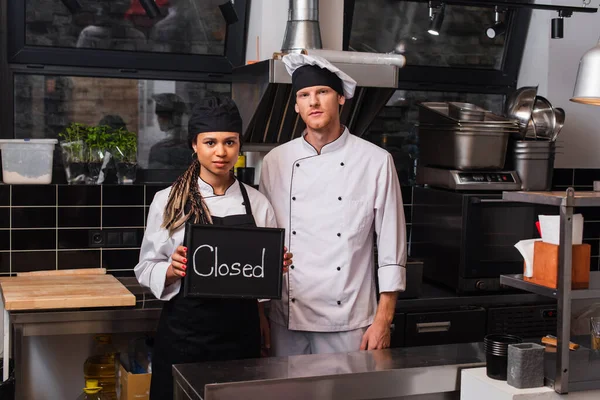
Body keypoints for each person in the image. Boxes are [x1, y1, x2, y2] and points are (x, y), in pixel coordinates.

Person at [135, 96, 292, 399]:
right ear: (194, 145)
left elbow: (259, 277)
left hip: (239, 337)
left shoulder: (257, 203)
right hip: (184, 335)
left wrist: (276, 267)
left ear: (239, 145)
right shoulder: (169, 202)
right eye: (210, 142)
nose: (221, 152)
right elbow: (145, 266)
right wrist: (170, 270)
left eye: (229, 142)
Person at [259, 54, 407, 356]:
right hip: (286, 317)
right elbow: (265, 242)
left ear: (340, 98)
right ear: (297, 105)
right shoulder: (275, 162)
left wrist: (384, 319)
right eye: (304, 95)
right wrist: (260, 313)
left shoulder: (375, 161)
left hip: (351, 320)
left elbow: (392, 245)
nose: (313, 102)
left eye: (322, 92)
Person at [148, 93, 192, 169]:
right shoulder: (192, 145)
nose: (158, 119)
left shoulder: (158, 150)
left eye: (161, 116)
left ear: (174, 118)